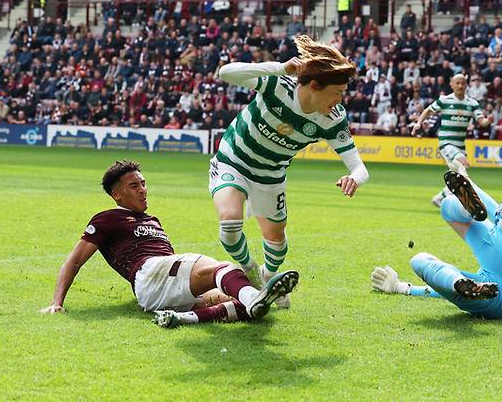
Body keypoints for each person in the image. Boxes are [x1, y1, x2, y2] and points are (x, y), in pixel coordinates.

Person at [40, 160, 299, 328]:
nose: (143, 189)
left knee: (243, 302)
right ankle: (255, 292)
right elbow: (74, 260)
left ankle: (183, 317)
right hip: (149, 274)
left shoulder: (153, 220)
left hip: (165, 285)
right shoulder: (108, 218)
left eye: (143, 183)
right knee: (225, 270)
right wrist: (57, 302)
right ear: (117, 194)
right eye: (134, 186)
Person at [213, 35, 369, 308]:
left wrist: (353, 178)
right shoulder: (276, 85)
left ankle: (269, 278)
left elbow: (358, 166)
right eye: (337, 92)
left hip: (271, 175)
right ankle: (251, 273)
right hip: (233, 160)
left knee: (276, 239)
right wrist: (278, 67)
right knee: (230, 223)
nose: (340, 99)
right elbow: (225, 73)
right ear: (314, 86)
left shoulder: (332, 118)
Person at [371, 171, 502, 319]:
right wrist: (404, 288)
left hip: (501, 290)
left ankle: (465, 209)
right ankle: (456, 281)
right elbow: (443, 287)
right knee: (424, 263)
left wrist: (468, 180)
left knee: (446, 208)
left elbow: (498, 212)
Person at [411, 74, 493, 207]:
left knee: (461, 175)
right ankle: (457, 201)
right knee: (463, 163)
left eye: (462, 83)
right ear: (452, 85)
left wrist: (487, 121)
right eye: (457, 83)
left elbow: (481, 121)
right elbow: (428, 111)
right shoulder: (444, 100)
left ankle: (441, 197)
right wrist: (418, 123)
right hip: (446, 143)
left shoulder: (472, 104)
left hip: (460, 145)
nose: (460, 86)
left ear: (466, 85)